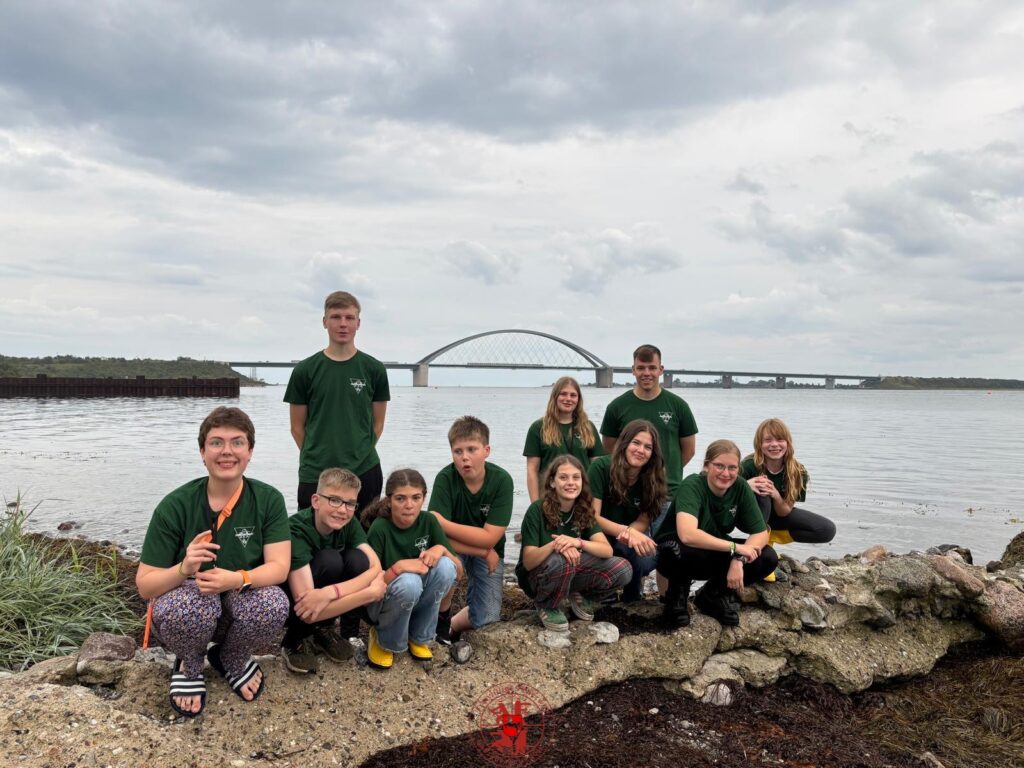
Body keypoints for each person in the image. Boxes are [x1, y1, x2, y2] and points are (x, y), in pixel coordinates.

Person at [136, 407, 290, 718]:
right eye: (216, 442)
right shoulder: (175, 505)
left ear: (250, 451)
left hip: (239, 597)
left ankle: (231, 658)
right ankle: (189, 665)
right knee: (195, 606)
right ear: (202, 452)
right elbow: (144, 585)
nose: (227, 452)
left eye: (237, 442)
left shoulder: (268, 499)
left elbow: (279, 567)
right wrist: (184, 569)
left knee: (275, 603)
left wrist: (237, 579)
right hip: (191, 604)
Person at [284, 290, 391, 514]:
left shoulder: (374, 369)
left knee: (362, 537)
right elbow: (296, 427)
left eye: (349, 318)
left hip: (365, 470)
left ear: (358, 323)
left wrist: (358, 453)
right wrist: (318, 455)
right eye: (336, 317)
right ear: (325, 322)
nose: (343, 324)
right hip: (316, 473)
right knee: (313, 538)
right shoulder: (305, 370)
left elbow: (378, 424)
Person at [655, 440, 778, 628]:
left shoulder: (740, 487)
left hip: (712, 549)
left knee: (767, 557)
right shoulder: (692, 485)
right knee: (680, 550)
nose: (726, 473)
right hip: (676, 552)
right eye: (719, 466)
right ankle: (677, 599)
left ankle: (712, 596)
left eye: (732, 467)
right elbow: (687, 534)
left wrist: (739, 558)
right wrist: (736, 547)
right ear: (706, 465)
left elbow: (760, 532)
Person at [281, 468, 386, 674]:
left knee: (357, 560)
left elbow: (375, 566)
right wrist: (368, 593)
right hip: (293, 601)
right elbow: (307, 607)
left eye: (350, 503)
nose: (342, 510)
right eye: (334, 500)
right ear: (315, 501)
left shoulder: (349, 522)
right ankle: (294, 640)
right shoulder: (296, 530)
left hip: (323, 596)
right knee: (330, 560)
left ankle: (324, 630)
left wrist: (330, 593)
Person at [515, 455, 632, 632]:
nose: (570, 482)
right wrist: (557, 546)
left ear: (582, 482)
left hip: (570, 572)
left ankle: (581, 597)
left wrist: (577, 542)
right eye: (563, 477)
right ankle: (547, 604)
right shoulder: (537, 510)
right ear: (552, 482)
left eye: (576, 477)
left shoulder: (583, 511)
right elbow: (529, 561)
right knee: (561, 560)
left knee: (624, 569)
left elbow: (606, 550)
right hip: (536, 578)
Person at [362, 469, 463, 670]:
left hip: (414, 600)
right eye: (401, 498)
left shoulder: (428, 521)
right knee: (410, 581)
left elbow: (457, 573)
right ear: (389, 500)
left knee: (445, 567)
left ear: (424, 498)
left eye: (416, 498)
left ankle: (418, 636)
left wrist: (441, 548)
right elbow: (369, 585)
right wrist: (399, 567)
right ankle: (384, 638)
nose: (409, 505)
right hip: (380, 603)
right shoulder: (380, 527)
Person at [429, 416, 513, 645]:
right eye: (458, 451)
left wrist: (442, 523)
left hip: (489, 550)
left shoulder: (502, 480)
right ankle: (438, 624)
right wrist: (483, 551)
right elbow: (437, 538)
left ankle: (455, 625)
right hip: (457, 548)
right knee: (445, 568)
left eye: (472, 449)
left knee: (488, 618)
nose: (464, 457)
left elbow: (490, 537)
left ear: (486, 450)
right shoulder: (445, 479)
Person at [600, 344, 698, 504]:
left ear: (661, 369)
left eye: (652, 368)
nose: (646, 373)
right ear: (633, 370)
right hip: (629, 495)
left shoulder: (679, 406)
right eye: (641, 368)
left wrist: (666, 473)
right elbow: (609, 450)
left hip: (668, 495)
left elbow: (689, 451)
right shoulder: (616, 407)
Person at [589, 419, 668, 602]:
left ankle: (632, 598)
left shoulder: (654, 478)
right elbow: (592, 517)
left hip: (627, 536)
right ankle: (599, 592)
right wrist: (626, 532)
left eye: (648, 447)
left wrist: (631, 534)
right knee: (612, 555)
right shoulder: (601, 467)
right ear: (625, 443)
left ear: (653, 453)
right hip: (597, 536)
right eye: (636, 443)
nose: (641, 450)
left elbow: (643, 520)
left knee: (646, 557)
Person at [740, 418, 836, 548]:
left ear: (788, 443)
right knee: (763, 489)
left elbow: (783, 512)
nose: (774, 444)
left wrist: (776, 494)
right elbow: (723, 491)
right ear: (759, 444)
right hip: (747, 518)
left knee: (826, 530)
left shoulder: (797, 471)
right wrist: (746, 485)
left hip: (776, 518)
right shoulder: (749, 465)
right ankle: (759, 545)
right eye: (768, 440)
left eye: (780, 439)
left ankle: (769, 536)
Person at [523, 376, 605, 502]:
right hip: (549, 499)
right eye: (563, 394)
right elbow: (532, 470)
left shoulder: (588, 428)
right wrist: (535, 505)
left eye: (573, 395)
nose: (568, 399)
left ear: (578, 399)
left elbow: (597, 468)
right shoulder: (538, 428)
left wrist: (595, 502)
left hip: (582, 499)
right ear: (555, 397)